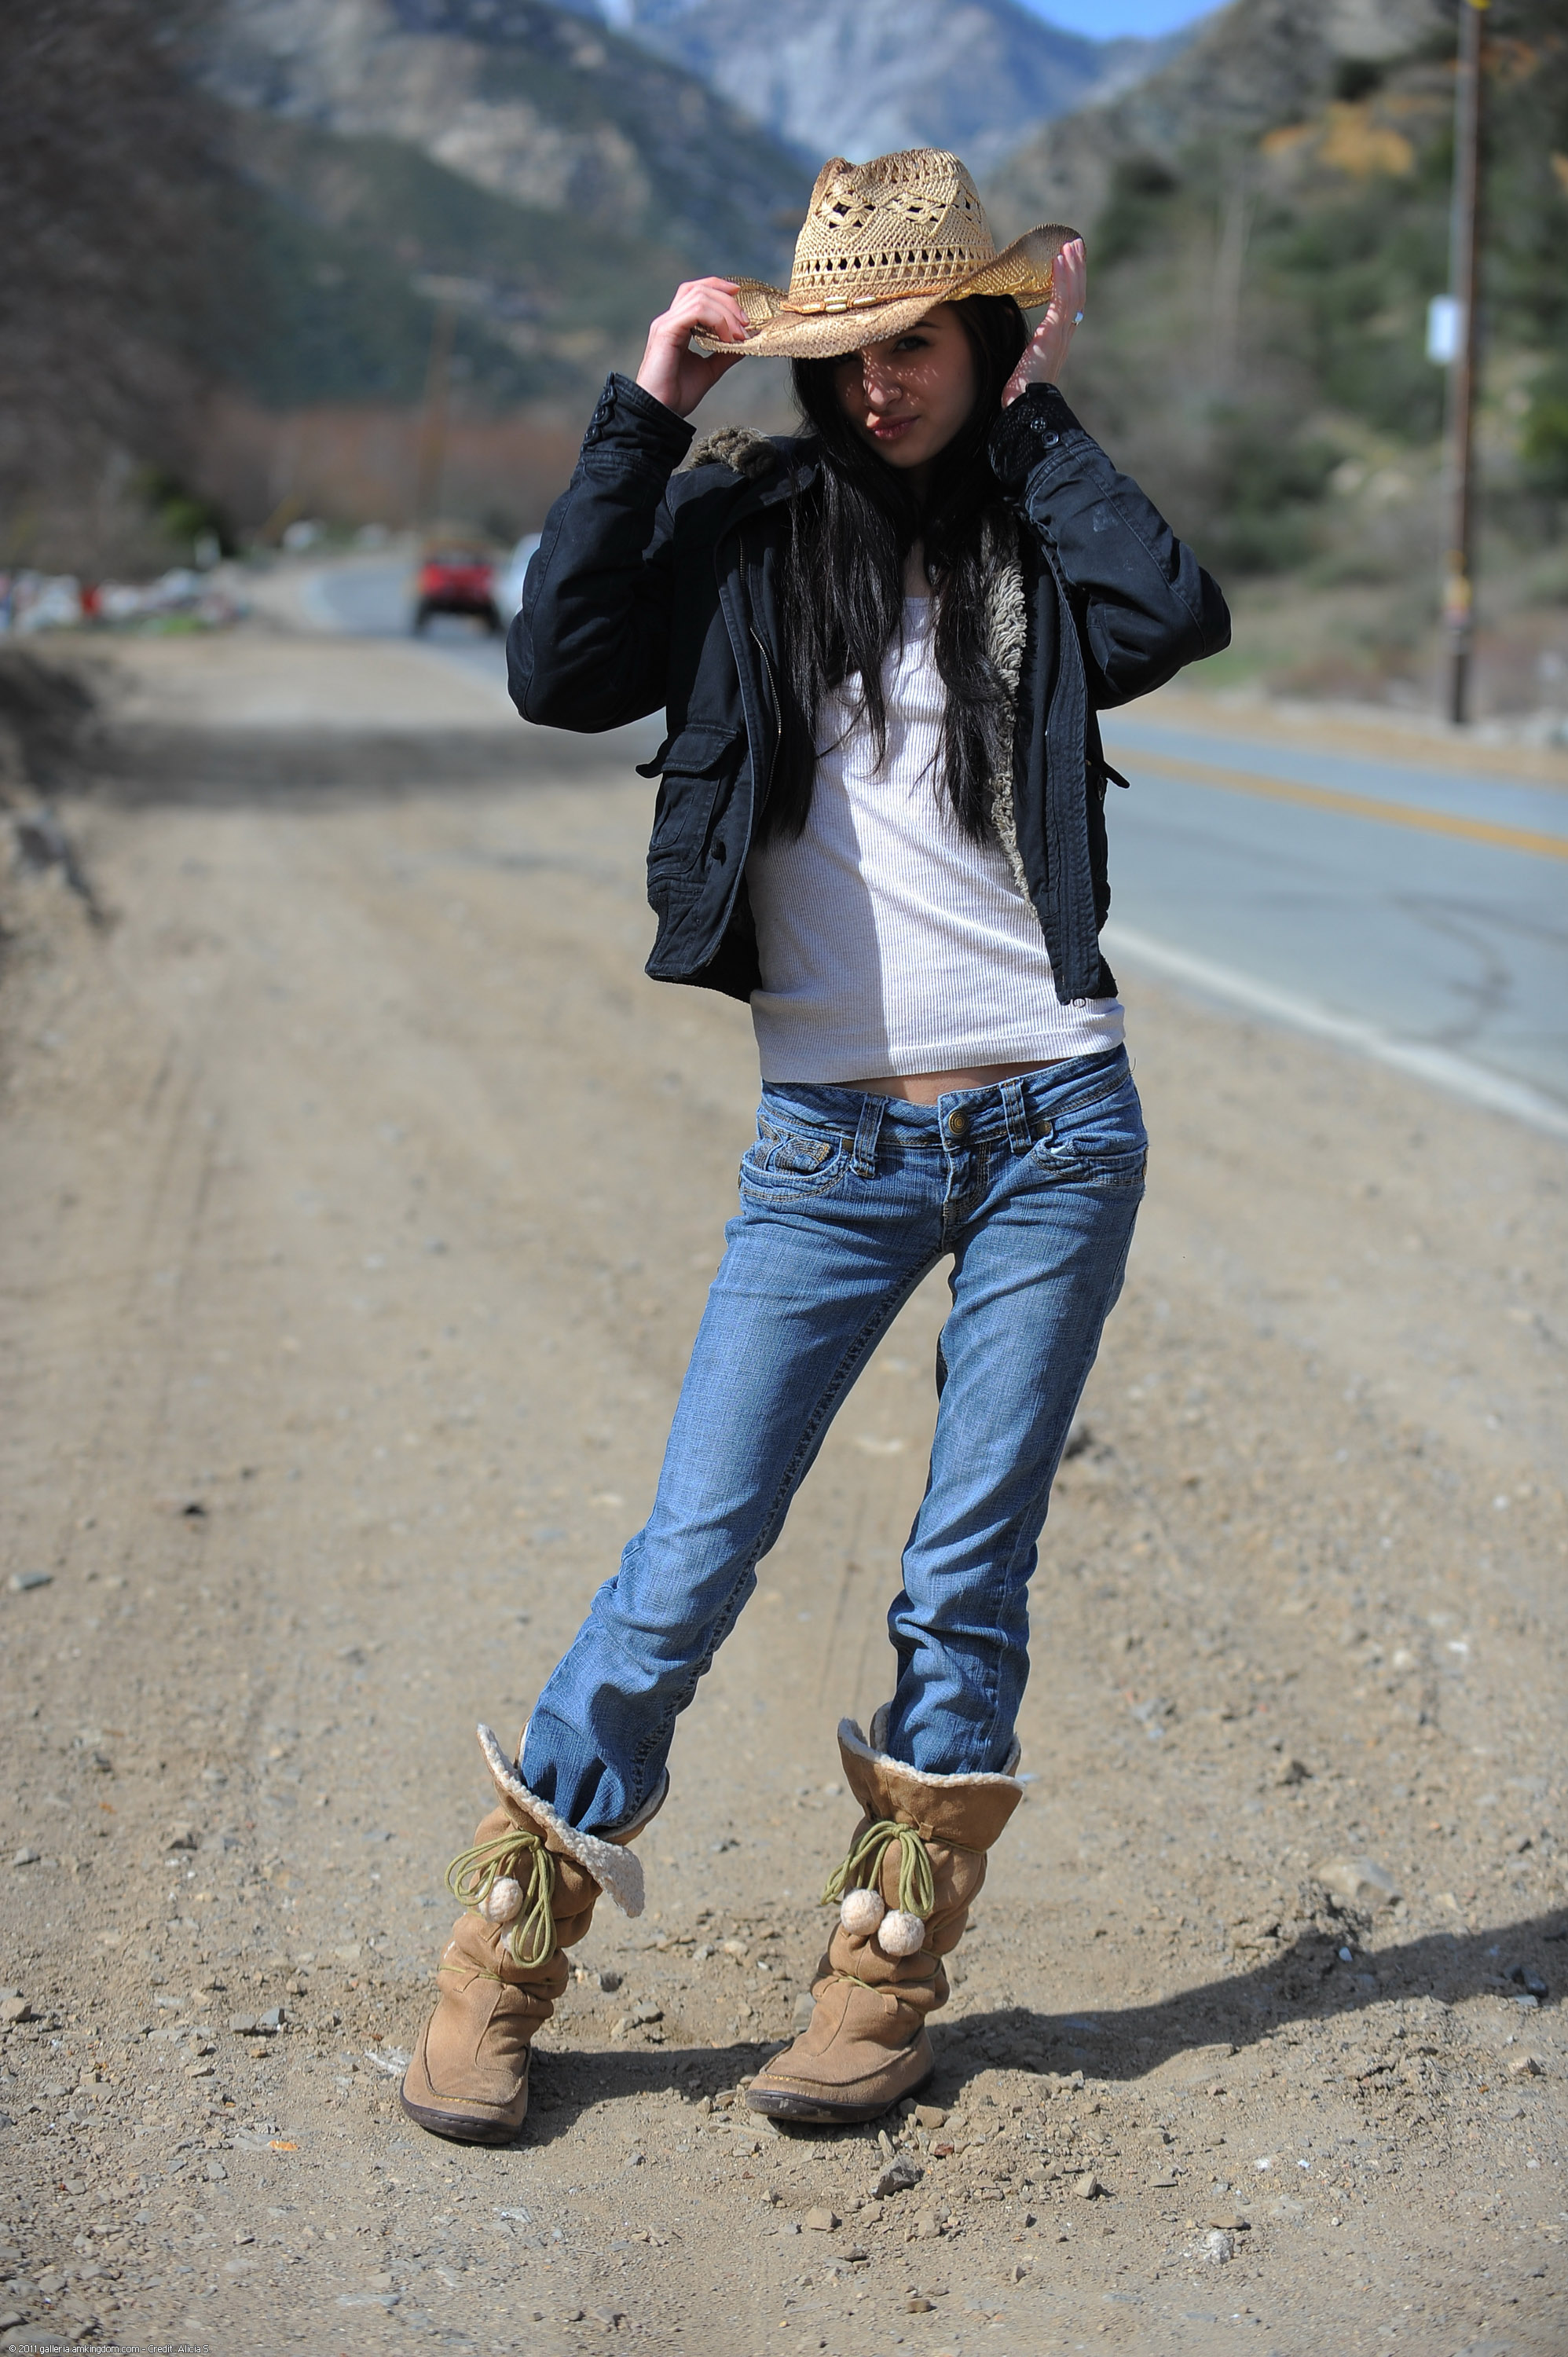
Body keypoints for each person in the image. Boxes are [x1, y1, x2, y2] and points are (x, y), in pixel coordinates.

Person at [400, 148, 1229, 2145]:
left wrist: (1041, 418)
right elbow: (554, 669)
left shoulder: (1030, 530)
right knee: (692, 1552)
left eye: (919, 342)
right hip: (826, 1148)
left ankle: (880, 1978)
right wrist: (646, 405)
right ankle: (496, 1966)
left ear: (979, 338)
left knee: (964, 1574)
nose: (880, 381)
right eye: (848, 347)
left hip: (1053, 1121)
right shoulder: (739, 530)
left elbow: (1170, 610)